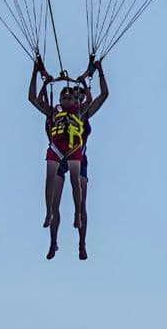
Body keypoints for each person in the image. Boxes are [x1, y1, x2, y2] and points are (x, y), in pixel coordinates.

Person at [28, 55, 109, 260]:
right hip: (59, 156)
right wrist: (37, 73)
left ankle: (82, 243)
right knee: (54, 203)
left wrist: (99, 70)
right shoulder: (54, 112)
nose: (73, 98)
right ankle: (53, 242)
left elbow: (104, 95)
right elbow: (34, 99)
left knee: (81, 202)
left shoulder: (84, 113)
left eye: (76, 96)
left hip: (77, 157)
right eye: (69, 96)